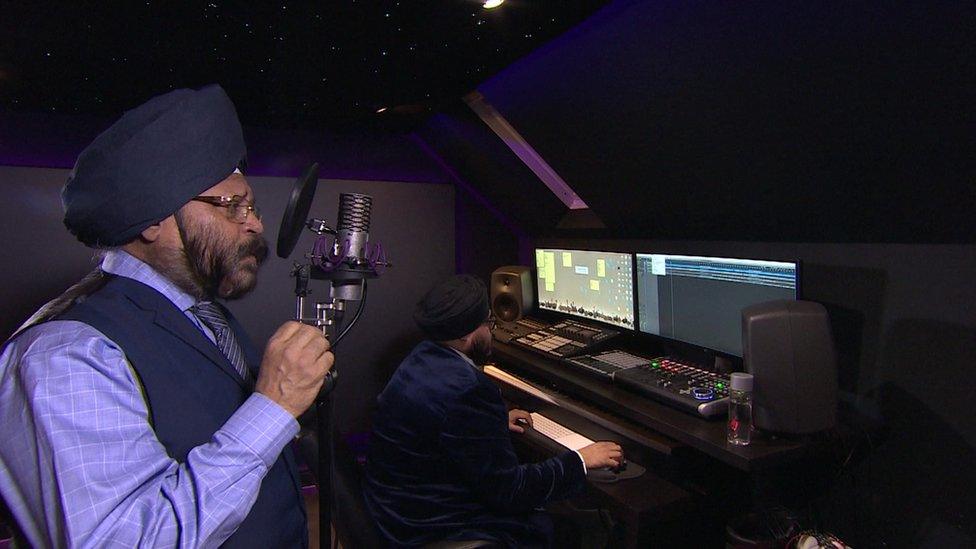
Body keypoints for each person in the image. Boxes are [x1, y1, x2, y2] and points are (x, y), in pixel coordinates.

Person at [0, 85, 333, 548]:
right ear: (152, 220)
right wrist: (272, 406)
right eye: (229, 205)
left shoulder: (204, 317)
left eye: (251, 205)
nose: (254, 223)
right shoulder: (67, 356)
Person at [363, 274, 623, 548]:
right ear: (465, 333)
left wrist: (492, 423)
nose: (491, 331)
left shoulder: (419, 359)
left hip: (396, 511)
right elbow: (511, 490)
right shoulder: (467, 390)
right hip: (434, 527)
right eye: (488, 322)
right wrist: (580, 460)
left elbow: (445, 425)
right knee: (577, 529)